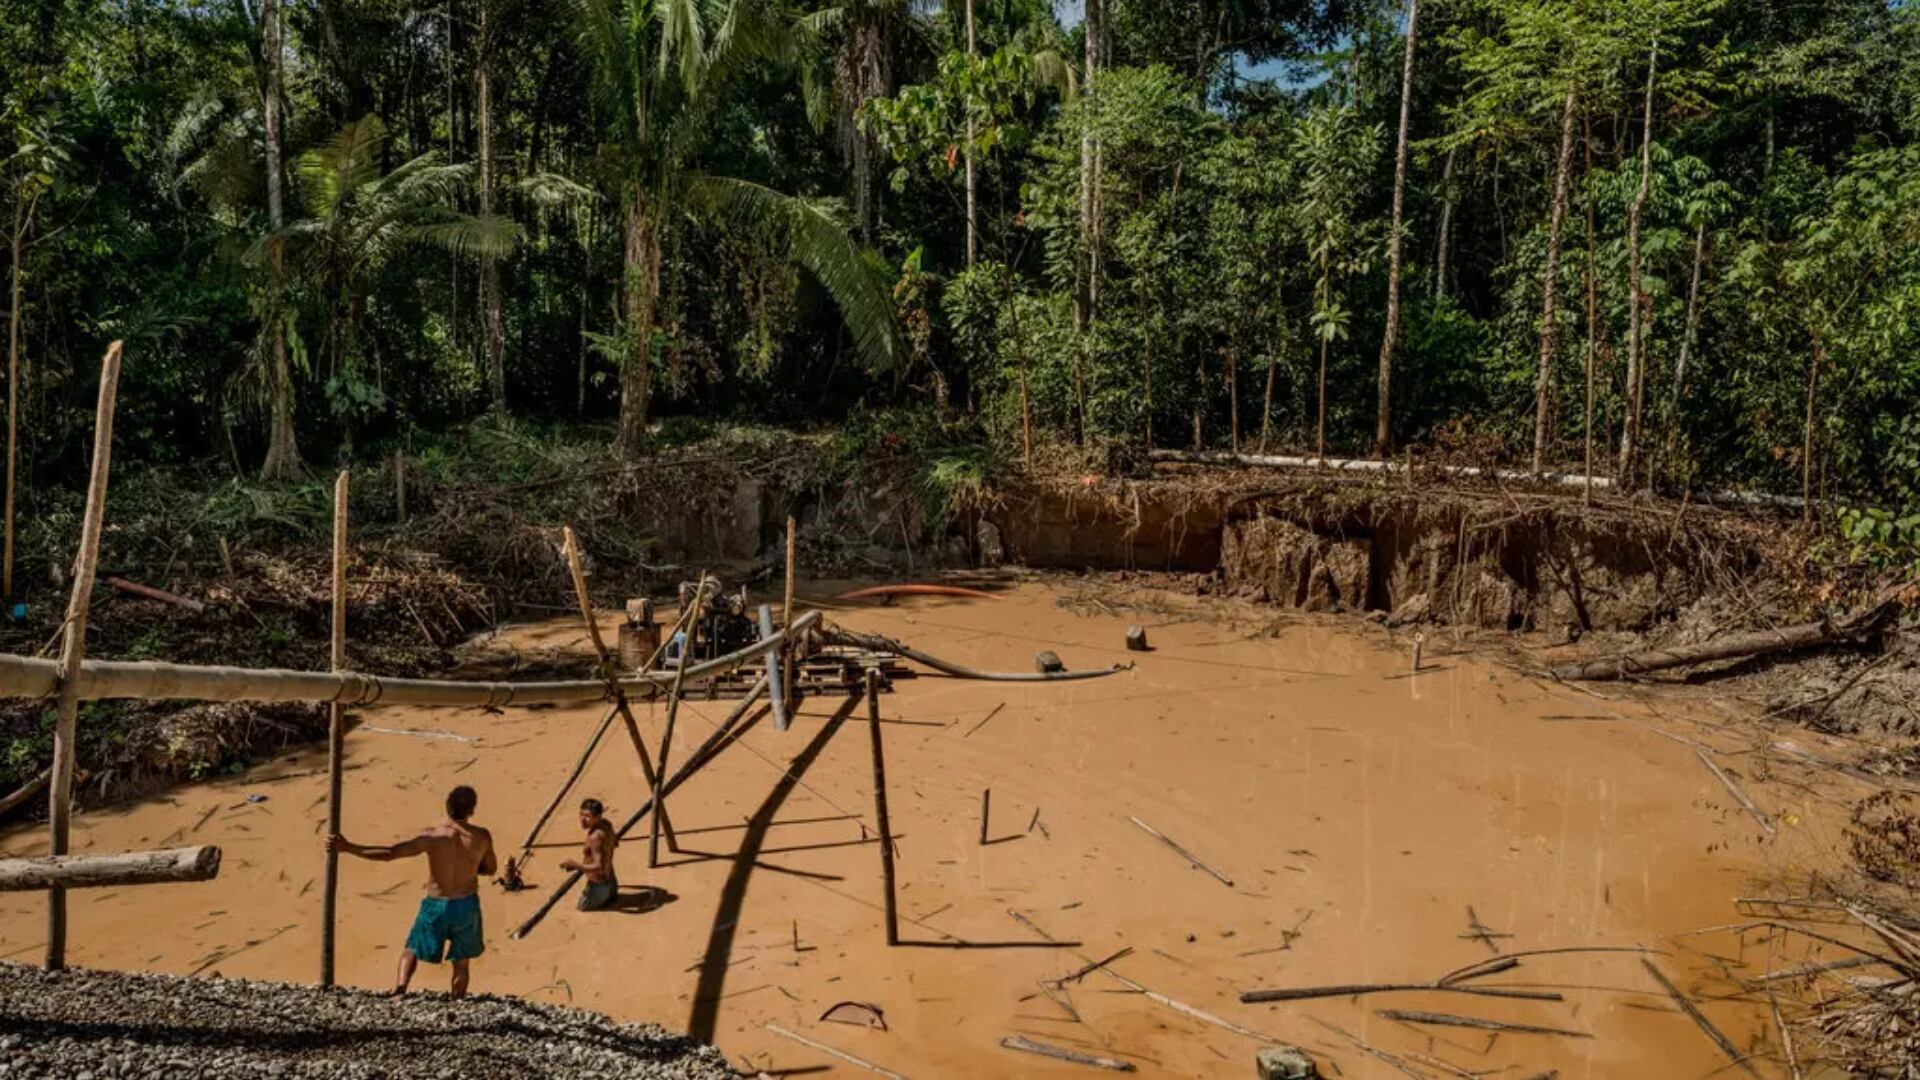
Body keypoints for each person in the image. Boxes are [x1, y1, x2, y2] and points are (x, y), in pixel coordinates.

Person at [327, 784, 495, 997]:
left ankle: (401, 987)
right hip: (466, 904)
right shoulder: (482, 837)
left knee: (413, 947)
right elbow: (491, 869)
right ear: (472, 810)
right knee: (461, 961)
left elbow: (390, 853)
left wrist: (349, 848)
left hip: (436, 903)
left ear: (447, 807)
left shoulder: (432, 837)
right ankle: (458, 1000)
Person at [564, 797, 619, 911]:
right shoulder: (607, 824)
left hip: (599, 886)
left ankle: (603, 897)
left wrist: (575, 865)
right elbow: (615, 843)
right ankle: (610, 894)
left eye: (587, 816)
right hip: (611, 882)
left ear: (598, 817)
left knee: (581, 907)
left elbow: (599, 867)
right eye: (581, 814)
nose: (582, 820)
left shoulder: (595, 837)